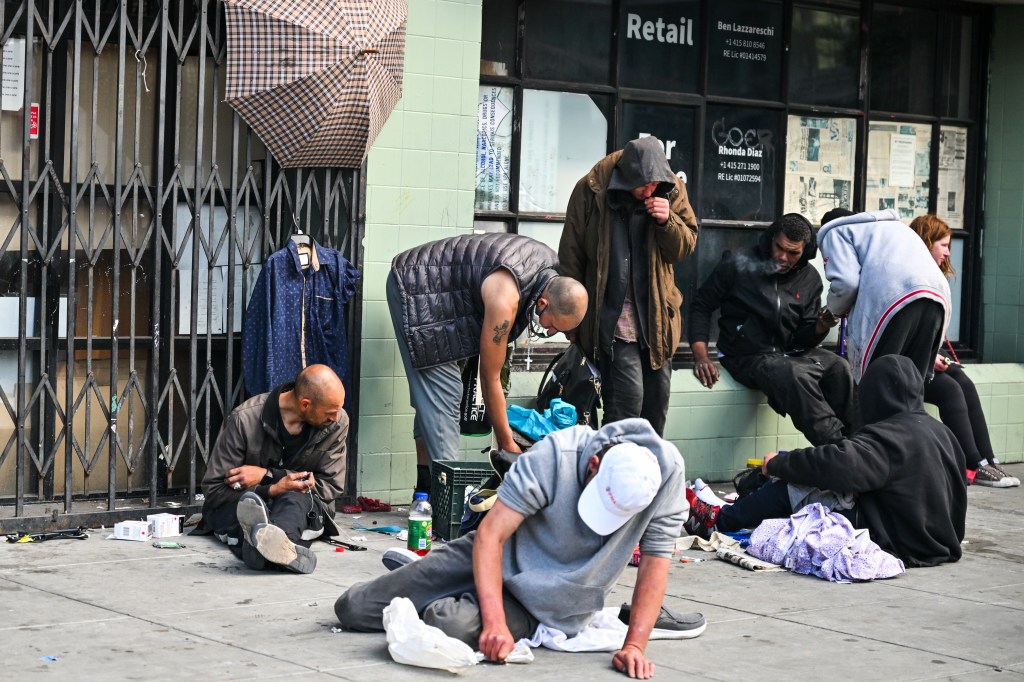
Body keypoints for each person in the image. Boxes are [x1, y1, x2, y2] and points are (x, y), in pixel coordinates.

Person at [335, 418, 702, 679]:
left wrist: (634, 646)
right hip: (495, 552)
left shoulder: (667, 476)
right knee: (353, 608)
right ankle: (451, 583)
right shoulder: (556, 454)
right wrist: (494, 624)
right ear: (593, 466)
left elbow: (655, 563)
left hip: (546, 600)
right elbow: (491, 535)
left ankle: (457, 594)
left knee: (445, 622)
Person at [687, 355, 967, 568]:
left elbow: (838, 465)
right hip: (940, 540)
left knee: (797, 485)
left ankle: (720, 519)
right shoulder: (942, 432)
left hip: (899, 539)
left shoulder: (889, 435)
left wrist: (778, 464)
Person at [389, 232, 588, 495]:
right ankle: (448, 505)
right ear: (543, 303)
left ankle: (425, 493)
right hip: (418, 291)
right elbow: (490, 378)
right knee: (444, 398)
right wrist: (507, 443)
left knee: (434, 401)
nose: (550, 332)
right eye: (551, 326)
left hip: (453, 301)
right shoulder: (505, 299)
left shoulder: (551, 271)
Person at [558, 136, 699, 436]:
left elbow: (685, 247)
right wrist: (568, 316)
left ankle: (645, 477)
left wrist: (667, 221)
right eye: (642, 186)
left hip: (657, 316)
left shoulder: (671, 188)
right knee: (627, 402)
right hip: (612, 314)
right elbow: (571, 253)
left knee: (656, 406)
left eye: (653, 185)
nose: (648, 191)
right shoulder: (591, 189)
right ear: (624, 176)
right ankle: (610, 473)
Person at [688, 213, 854, 445]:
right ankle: (837, 447)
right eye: (779, 248)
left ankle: (859, 438)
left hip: (787, 354)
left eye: (793, 253)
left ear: (805, 251)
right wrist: (701, 356)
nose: (783, 257)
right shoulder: (738, 262)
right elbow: (701, 306)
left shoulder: (810, 279)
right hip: (746, 355)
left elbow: (803, 339)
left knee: (839, 366)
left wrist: (820, 325)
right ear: (771, 238)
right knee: (794, 374)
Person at [196, 364, 348, 574]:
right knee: (249, 509)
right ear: (305, 405)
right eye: (330, 413)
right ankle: (276, 551)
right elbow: (213, 490)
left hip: (300, 504)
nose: (335, 417)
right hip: (248, 501)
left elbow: (330, 486)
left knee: (295, 499)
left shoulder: (337, 423)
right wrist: (269, 489)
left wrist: (268, 476)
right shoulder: (245, 419)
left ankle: (259, 550)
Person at [910, 215, 1020, 488]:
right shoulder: (912, 276)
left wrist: (934, 355)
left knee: (963, 382)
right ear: (926, 243)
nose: (948, 252)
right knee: (950, 390)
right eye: (943, 245)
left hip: (921, 361)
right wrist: (928, 357)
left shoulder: (933, 275)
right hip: (901, 365)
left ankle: (989, 461)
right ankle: (973, 463)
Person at [818, 208, 951, 382]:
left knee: (879, 382)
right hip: (939, 297)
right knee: (912, 384)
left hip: (896, 300)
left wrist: (832, 310)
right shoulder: (892, 227)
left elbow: (847, 283)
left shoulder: (835, 231)